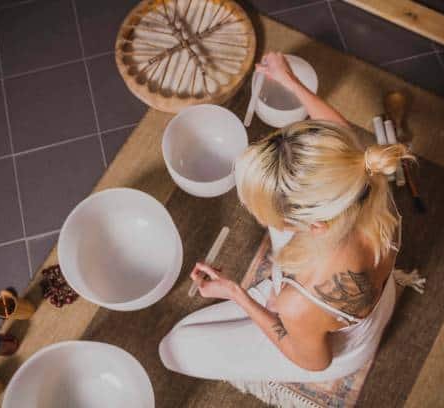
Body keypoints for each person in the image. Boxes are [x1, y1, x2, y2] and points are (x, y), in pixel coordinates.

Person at [158, 52, 420, 382]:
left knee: (174, 347)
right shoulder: (361, 177)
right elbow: (337, 133)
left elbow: (313, 362)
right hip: (354, 283)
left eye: (271, 214)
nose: (261, 216)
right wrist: (288, 80)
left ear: (314, 226)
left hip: (333, 340)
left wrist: (237, 294)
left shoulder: (299, 301)